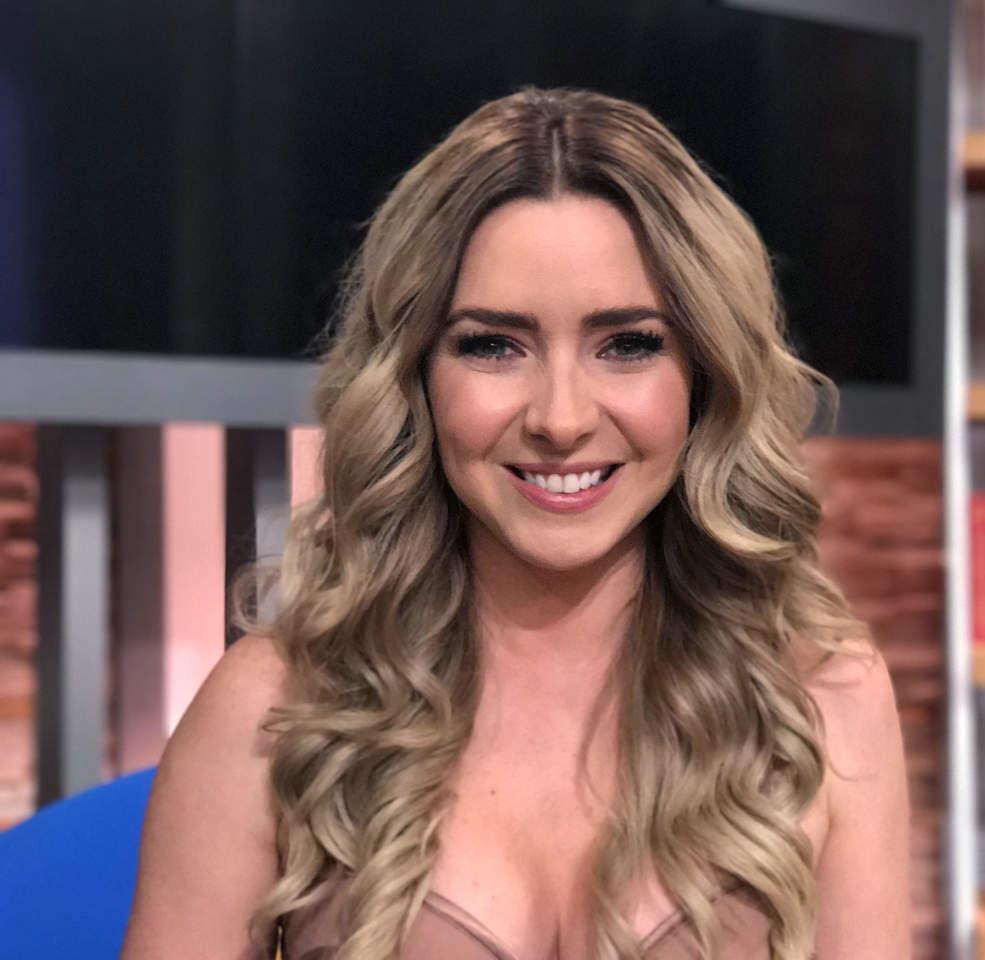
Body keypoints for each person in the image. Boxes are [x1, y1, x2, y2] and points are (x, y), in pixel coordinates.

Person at [120, 87, 910, 960]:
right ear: (415, 377)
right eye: (493, 345)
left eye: (628, 344)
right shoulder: (271, 708)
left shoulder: (827, 700)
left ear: (704, 377)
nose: (560, 419)